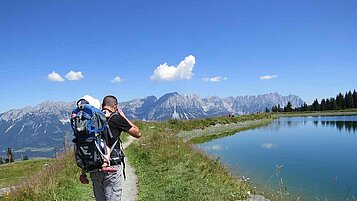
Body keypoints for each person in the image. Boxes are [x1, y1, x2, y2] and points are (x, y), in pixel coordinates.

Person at [90, 95, 141, 201]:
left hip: (95, 166)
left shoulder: (93, 118)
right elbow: (137, 133)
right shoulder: (116, 118)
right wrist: (123, 116)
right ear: (115, 106)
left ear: (103, 105)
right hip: (111, 166)